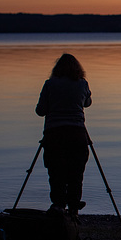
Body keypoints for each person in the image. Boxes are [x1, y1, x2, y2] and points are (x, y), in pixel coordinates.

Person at [35, 54, 92, 220]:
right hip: (77, 135)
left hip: (54, 135)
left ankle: (59, 206)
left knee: (56, 173)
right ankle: (74, 210)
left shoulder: (49, 85)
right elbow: (87, 103)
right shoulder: (82, 84)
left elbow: (40, 111)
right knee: (76, 174)